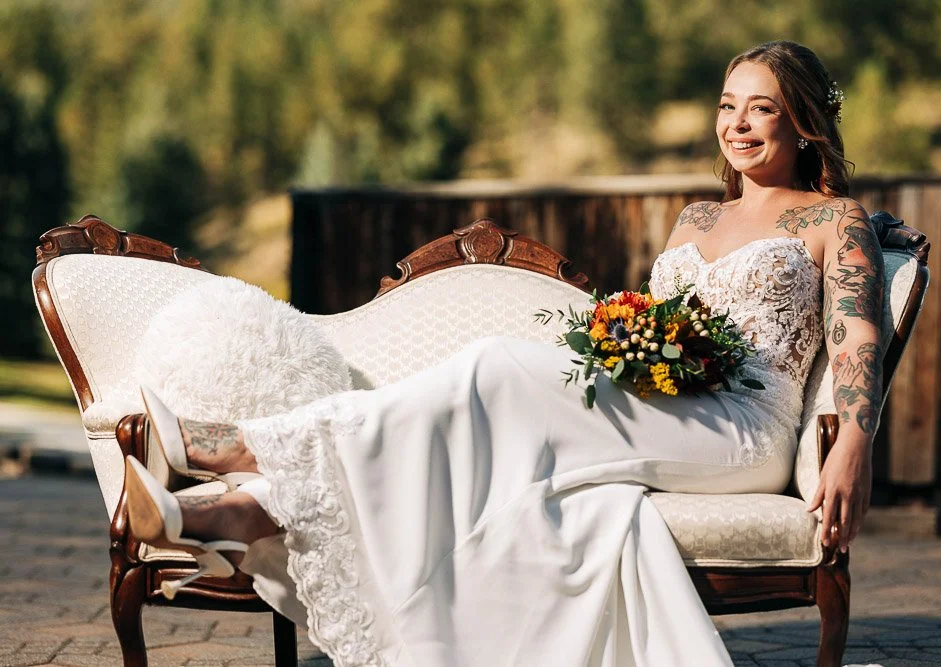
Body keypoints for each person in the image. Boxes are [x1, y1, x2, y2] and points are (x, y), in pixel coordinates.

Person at [123, 40, 885, 666]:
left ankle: (237, 447)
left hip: (742, 430)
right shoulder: (696, 219)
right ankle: (233, 509)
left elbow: (858, 336)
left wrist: (853, 440)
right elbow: (668, 322)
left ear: (803, 123)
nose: (738, 124)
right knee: (469, 438)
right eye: (726, 105)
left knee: (495, 368)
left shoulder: (835, 220)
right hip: (667, 400)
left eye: (761, 108)